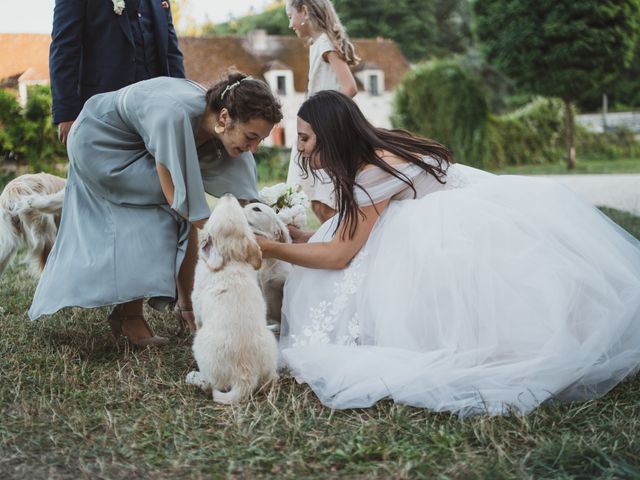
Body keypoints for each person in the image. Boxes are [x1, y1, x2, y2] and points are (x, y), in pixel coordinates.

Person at [256, 90, 640, 416]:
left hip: (456, 231)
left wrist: (272, 248)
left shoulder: (375, 170)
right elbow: (358, 226)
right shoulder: (376, 149)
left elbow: (341, 253)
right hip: (474, 207)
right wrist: (305, 237)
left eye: (305, 139)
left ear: (331, 135)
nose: (300, 148)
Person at [29, 73, 283, 347]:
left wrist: (275, 226)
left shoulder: (222, 125)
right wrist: (225, 233)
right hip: (100, 142)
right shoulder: (172, 115)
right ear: (224, 118)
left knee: (183, 209)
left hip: (140, 142)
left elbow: (246, 199)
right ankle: (132, 317)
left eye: (260, 141)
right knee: (163, 214)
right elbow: (176, 195)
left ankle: (183, 306)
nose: (254, 149)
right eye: (251, 137)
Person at [50, 0, 185, 144]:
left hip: (160, 112)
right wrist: (66, 114)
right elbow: (64, 48)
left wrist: (183, 101)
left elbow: (171, 51)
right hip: (104, 113)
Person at [285, 0, 359, 223]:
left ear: (305, 11)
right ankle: (334, 246)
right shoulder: (317, 44)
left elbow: (350, 87)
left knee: (325, 202)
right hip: (314, 132)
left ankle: (339, 248)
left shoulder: (326, 44)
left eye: (291, 16)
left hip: (324, 135)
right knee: (317, 201)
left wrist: (323, 120)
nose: (291, 24)